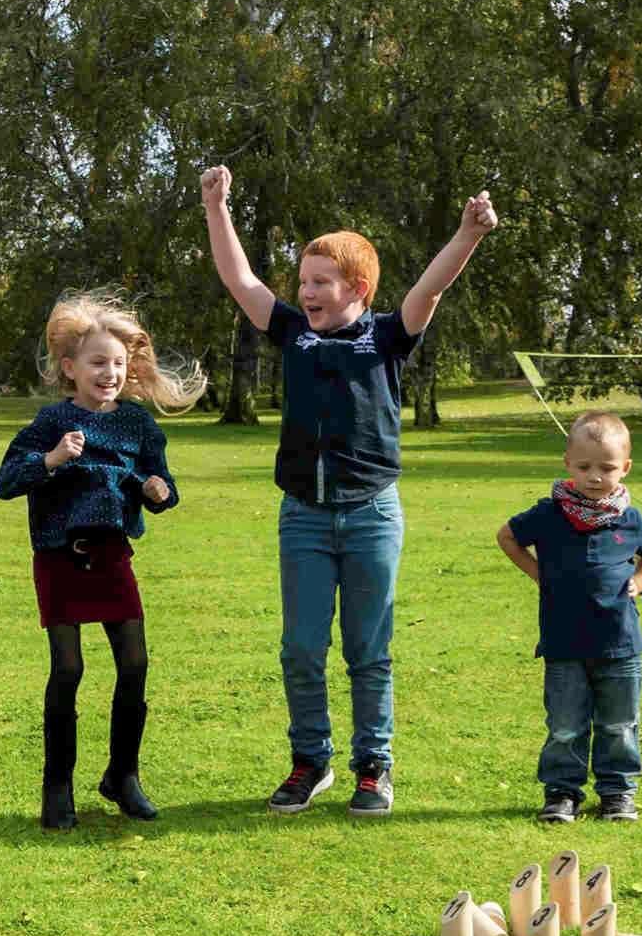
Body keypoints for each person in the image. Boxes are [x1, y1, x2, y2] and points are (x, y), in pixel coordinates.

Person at [198, 168, 498, 815]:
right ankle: (310, 763)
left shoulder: (389, 336)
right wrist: (217, 207)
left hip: (371, 515)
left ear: (356, 288)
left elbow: (432, 286)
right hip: (302, 517)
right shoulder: (292, 334)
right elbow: (239, 280)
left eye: (318, 283)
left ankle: (374, 768)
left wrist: (467, 234)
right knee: (302, 648)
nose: (304, 292)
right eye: (302, 282)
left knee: (369, 651)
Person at [0, 294, 203, 829]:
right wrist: (52, 459)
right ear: (70, 368)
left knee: (134, 665)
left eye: (117, 363)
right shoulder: (51, 422)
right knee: (68, 669)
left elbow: (163, 484)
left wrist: (160, 491)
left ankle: (123, 777)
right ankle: (56, 789)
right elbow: (5, 482)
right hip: (61, 558)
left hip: (113, 557)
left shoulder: (138, 426)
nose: (109, 373)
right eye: (96, 363)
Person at [496, 409, 642, 824]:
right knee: (566, 725)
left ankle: (617, 792)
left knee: (619, 723)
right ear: (567, 463)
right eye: (585, 466)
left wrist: (640, 582)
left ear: (624, 468)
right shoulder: (549, 513)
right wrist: (539, 574)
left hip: (620, 643)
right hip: (564, 642)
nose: (595, 476)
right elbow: (507, 536)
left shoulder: (629, 517)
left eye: (606, 468)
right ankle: (561, 792)